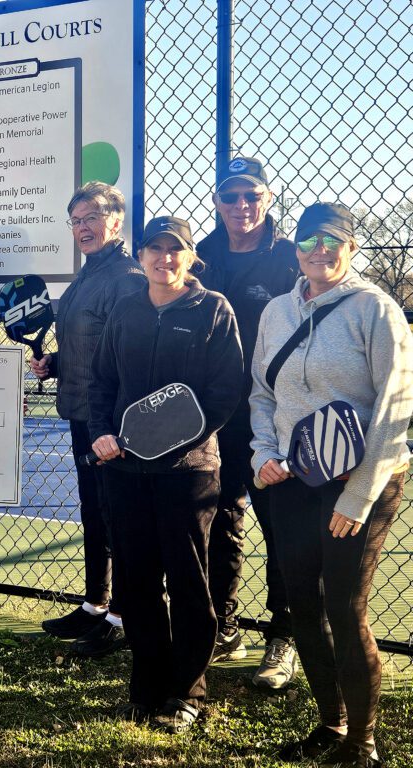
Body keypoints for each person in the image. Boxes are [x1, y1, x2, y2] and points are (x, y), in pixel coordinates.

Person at [250, 203, 412, 768]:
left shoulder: (376, 310)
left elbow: (394, 410)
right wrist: (264, 454)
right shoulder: (275, 311)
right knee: (301, 605)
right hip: (294, 481)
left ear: (350, 246)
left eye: (332, 239)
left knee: (345, 610)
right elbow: (262, 395)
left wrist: (359, 493)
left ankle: (362, 744)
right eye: (308, 239)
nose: (319, 249)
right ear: (295, 247)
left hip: (360, 484)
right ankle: (330, 723)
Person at [89, 216, 243, 731]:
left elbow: (225, 392)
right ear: (142, 256)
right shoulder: (126, 309)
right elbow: (101, 382)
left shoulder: (213, 309)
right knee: (137, 580)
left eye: (173, 250)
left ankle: (188, 693)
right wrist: (102, 432)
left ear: (189, 256)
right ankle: (148, 685)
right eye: (154, 250)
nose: (163, 258)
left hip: (188, 472)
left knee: (188, 580)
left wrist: (173, 441)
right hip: (126, 470)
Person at [196, 156, 301, 686]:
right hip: (215, 412)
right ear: (217, 202)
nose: (241, 206)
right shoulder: (202, 256)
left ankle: (284, 636)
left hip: (274, 414)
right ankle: (225, 626)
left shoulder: (289, 258)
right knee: (220, 519)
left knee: (280, 522)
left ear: (267, 199)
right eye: (230, 197)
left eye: (251, 196)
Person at [31, 182, 145, 656]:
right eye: (75, 220)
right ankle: (95, 604)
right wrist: (55, 363)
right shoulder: (88, 274)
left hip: (111, 423)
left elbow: (126, 355)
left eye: (92, 217)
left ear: (116, 220)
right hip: (82, 413)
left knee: (119, 519)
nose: (83, 227)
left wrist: (111, 427)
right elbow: (87, 344)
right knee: (94, 515)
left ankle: (123, 616)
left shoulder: (127, 276)